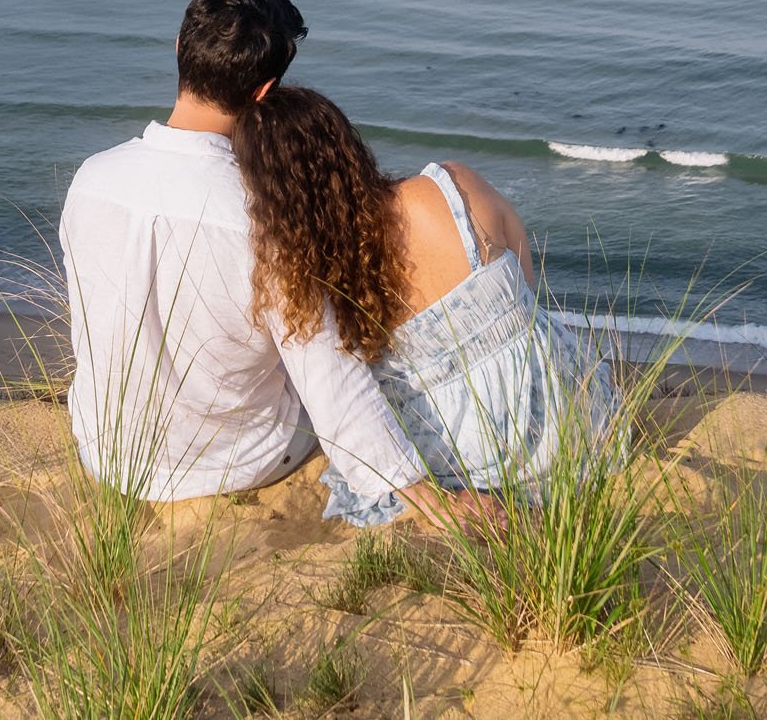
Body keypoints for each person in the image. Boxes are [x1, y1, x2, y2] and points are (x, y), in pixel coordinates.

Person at [59, 0, 484, 528]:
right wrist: (428, 498)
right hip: (233, 463)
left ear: (178, 50)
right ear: (265, 93)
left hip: (109, 452)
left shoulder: (92, 179)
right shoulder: (262, 215)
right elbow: (331, 381)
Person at [233, 84, 618, 526]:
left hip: (459, 455)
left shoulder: (321, 280)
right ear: (346, 141)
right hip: (568, 419)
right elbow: (525, 285)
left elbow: (341, 394)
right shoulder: (452, 185)